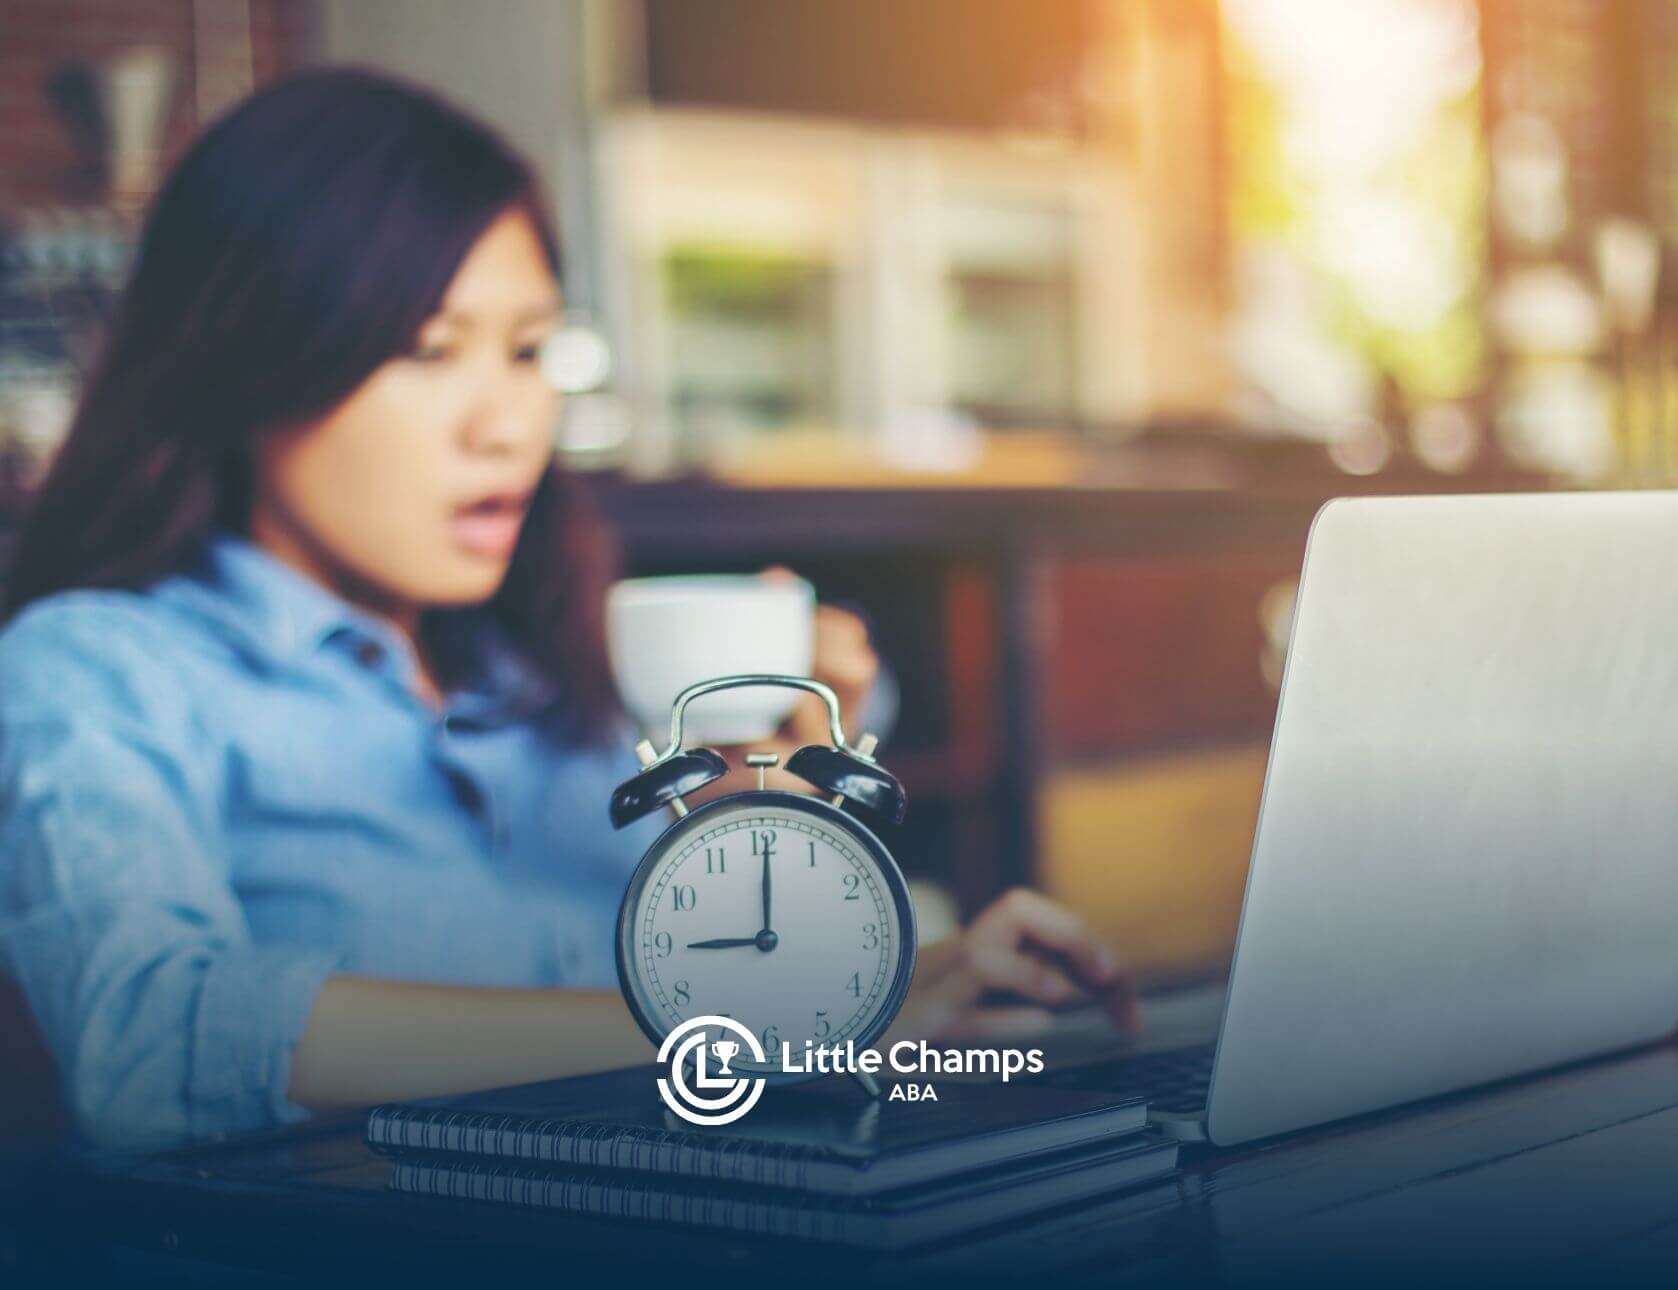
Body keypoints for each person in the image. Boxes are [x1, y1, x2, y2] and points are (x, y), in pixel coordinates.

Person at [0, 68, 1138, 1147]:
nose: (504, 424)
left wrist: (780, 865)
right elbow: (147, 1041)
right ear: (252, 362)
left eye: (530, 351)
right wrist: (737, 1041)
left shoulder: (545, 676)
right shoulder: (97, 670)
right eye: (427, 351)